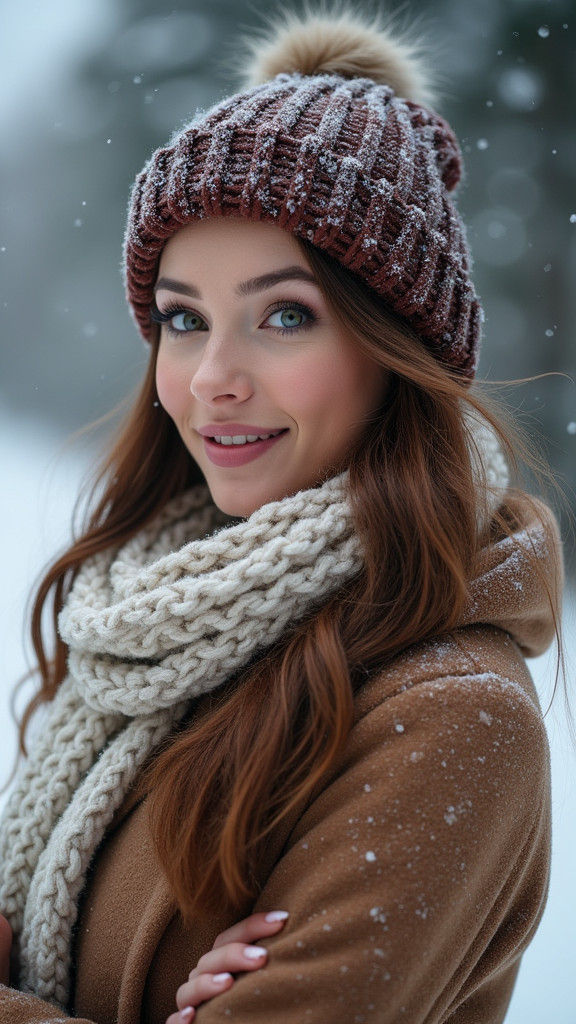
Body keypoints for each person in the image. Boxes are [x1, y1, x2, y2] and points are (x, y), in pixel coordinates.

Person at [0, 4, 568, 1023]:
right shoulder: (145, 635)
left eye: (286, 316)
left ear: (398, 352)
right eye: (184, 318)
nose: (212, 377)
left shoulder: (450, 716)